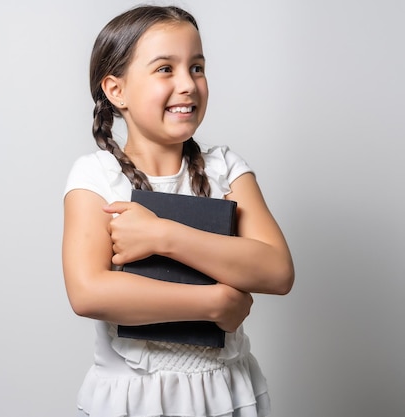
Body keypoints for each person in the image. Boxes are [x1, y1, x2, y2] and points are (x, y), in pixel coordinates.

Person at [61, 4, 294, 417]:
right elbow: (88, 292)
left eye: (197, 67)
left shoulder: (227, 169)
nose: (188, 83)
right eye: (165, 69)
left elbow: (276, 271)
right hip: (134, 398)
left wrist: (163, 236)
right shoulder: (95, 176)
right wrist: (213, 303)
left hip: (226, 391)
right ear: (116, 91)